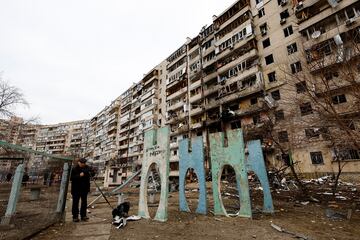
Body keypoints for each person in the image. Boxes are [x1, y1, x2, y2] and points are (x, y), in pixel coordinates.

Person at [70, 158, 94, 222]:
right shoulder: (74, 169)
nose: (83, 164)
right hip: (76, 189)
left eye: (84, 163)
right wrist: (79, 175)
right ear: (79, 162)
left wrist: (91, 171)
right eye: (81, 163)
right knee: (75, 203)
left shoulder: (87, 168)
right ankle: (75, 216)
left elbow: (92, 174)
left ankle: (83, 215)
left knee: (84, 203)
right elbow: (71, 178)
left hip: (84, 189)